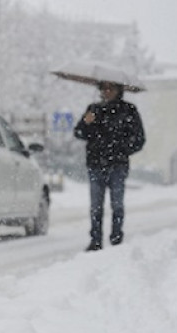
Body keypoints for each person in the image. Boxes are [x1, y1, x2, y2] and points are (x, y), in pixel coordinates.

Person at [74, 81, 145, 251]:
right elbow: (79, 132)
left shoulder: (128, 110)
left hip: (118, 165)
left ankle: (116, 237)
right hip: (96, 164)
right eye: (103, 88)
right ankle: (96, 239)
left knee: (117, 203)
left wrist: (122, 149)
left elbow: (139, 138)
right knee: (96, 205)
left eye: (110, 88)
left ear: (118, 90)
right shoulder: (93, 109)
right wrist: (86, 122)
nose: (106, 92)